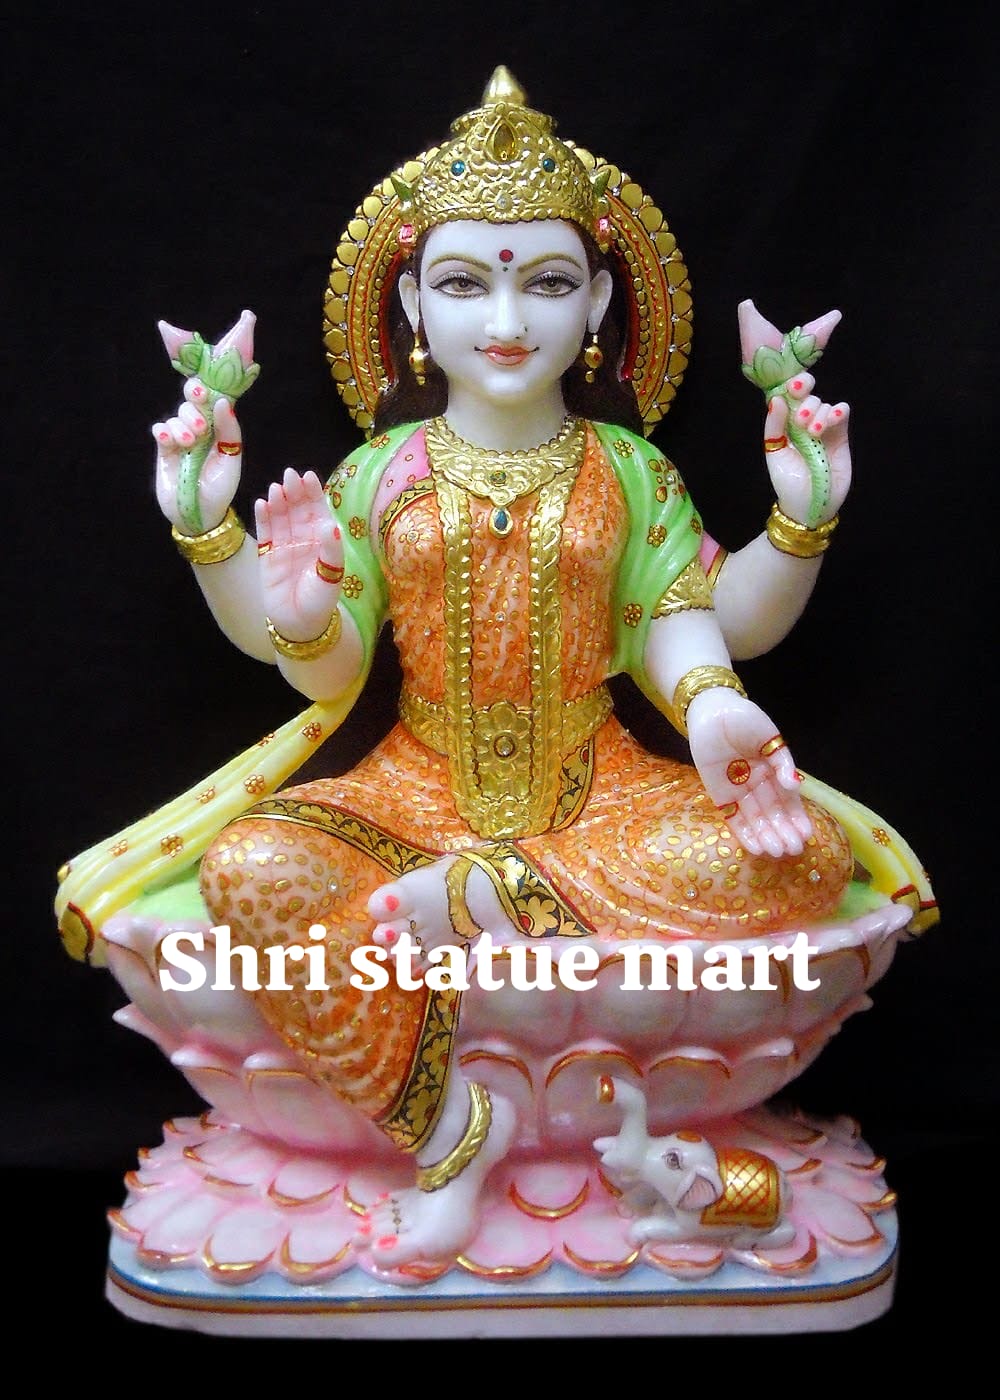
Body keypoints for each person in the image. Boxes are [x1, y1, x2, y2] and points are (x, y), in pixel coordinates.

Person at [56, 69, 935, 1269]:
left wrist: (753, 622)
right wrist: (243, 561)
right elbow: (321, 670)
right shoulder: (380, 474)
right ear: (413, 303)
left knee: (804, 857)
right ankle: (451, 1130)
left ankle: (487, 896)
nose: (507, 318)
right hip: (410, 797)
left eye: (549, 282)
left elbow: (692, 619)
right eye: (466, 283)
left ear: (600, 302)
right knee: (252, 869)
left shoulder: (627, 469)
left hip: (598, 796)